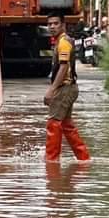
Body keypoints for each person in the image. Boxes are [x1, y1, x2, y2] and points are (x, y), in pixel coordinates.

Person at [44, 13, 90, 162]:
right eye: (49, 24)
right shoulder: (62, 41)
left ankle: (51, 161)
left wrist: (52, 90)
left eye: (55, 23)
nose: (52, 27)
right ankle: (84, 159)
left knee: (53, 124)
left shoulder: (63, 42)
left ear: (63, 25)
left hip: (65, 88)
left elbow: (63, 68)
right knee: (66, 124)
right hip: (69, 88)